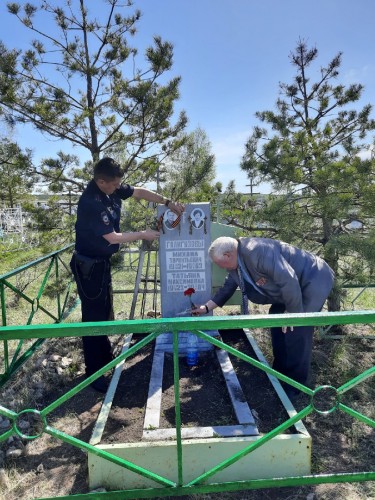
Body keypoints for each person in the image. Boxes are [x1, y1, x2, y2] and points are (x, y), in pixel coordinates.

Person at [70, 157, 185, 392]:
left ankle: (104, 359)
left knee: (104, 313)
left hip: (100, 264)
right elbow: (112, 237)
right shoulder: (91, 202)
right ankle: (94, 374)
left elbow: (139, 192)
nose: (117, 189)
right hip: (88, 267)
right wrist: (143, 233)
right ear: (101, 181)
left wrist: (168, 202)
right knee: (92, 318)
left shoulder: (111, 186)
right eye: (113, 185)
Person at [193, 236, 335, 401]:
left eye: (218, 263)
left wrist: (292, 314)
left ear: (228, 255)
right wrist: (206, 307)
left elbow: (288, 278)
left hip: (312, 279)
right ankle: (280, 374)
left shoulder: (257, 250)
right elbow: (228, 287)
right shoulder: (235, 263)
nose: (218, 266)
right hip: (288, 290)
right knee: (276, 323)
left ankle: (295, 386)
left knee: (296, 331)